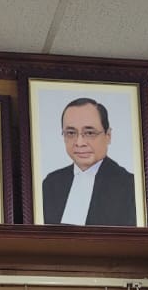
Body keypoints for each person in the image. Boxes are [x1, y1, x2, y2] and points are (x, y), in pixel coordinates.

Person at [41, 97, 136, 226]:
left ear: (108, 136)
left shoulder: (130, 186)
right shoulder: (51, 183)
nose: (79, 143)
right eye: (71, 133)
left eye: (89, 133)